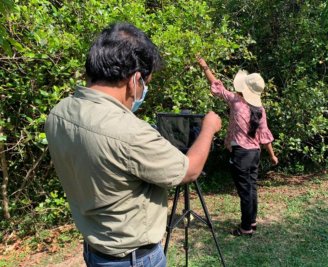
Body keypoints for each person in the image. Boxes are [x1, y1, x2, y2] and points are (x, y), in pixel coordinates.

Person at [45, 22, 221, 267]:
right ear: (135, 80)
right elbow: (189, 169)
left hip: (94, 250)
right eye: (146, 83)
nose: (144, 90)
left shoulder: (60, 112)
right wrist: (209, 128)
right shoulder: (129, 132)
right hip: (134, 259)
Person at [196, 56, 278, 237]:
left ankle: (246, 227)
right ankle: (252, 221)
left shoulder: (237, 103)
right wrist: (272, 156)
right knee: (251, 187)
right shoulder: (260, 109)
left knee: (245, 190)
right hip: (255, 153)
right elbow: (265, 135)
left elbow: (218, 87)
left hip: (241, 154)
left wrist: (205, 67)